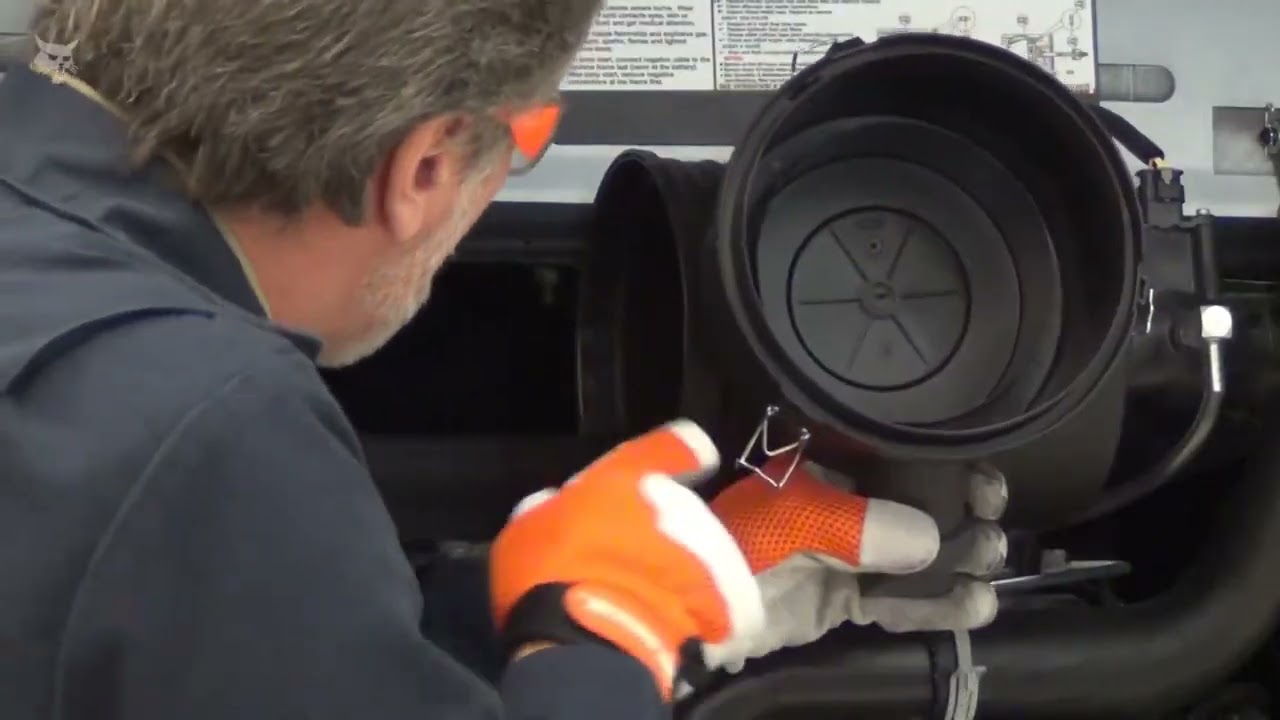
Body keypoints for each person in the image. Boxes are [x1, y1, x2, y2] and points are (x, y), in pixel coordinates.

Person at [0, 1, 1008, 718]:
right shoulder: (208, 431)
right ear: (428, 165)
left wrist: (525, 612)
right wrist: (601, 648)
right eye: (524, 137)